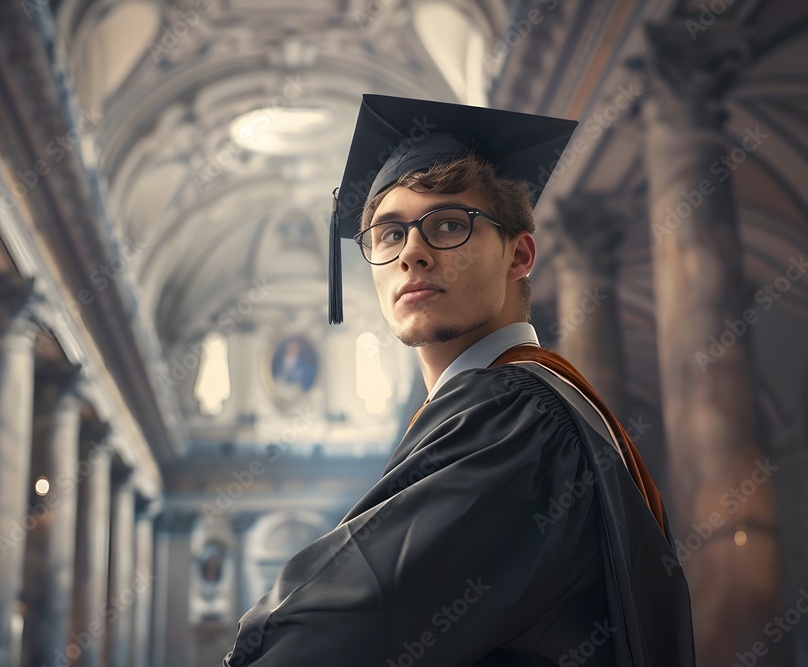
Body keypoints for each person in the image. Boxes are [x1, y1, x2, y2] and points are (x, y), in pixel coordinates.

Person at [221, 94, 695, 666]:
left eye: (448, 224)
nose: (412, 253)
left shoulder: (516, 413)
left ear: (519, 255)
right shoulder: (537, 404)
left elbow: (343, 628)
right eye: (389, 235)